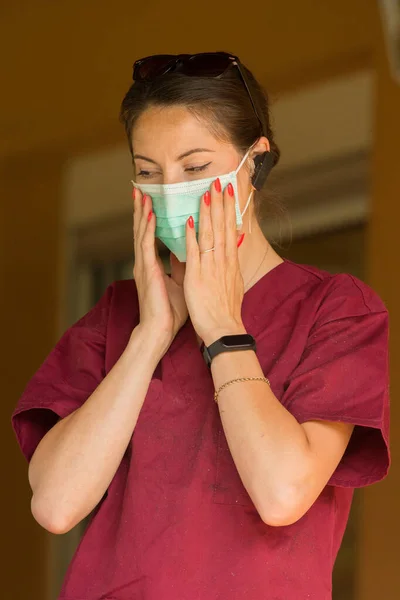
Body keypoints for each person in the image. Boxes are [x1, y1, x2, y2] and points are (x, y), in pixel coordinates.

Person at [11, 52, 390, 600]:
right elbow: (53, 504)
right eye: (147, 172)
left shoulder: (335, 310)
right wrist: (148, 338)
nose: (170, 190)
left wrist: (221, 326)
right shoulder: (119, 315)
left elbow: (283, 493)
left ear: (254, 165)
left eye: (194, 169)